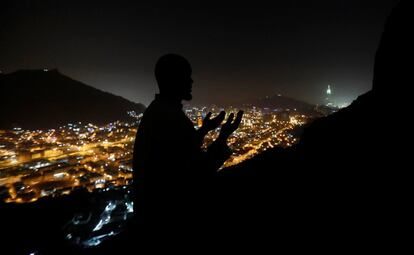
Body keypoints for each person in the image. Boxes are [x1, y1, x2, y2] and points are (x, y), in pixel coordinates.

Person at [132, 53, 243, 247]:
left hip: (151, 216)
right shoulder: (171, 118)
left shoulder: (158, 110)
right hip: (171, 221)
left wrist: (205, 130)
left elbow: (179, 149)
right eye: (186, 75)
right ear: (173, 79)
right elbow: (200, 172)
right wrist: (224, 136)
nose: (191, 81)